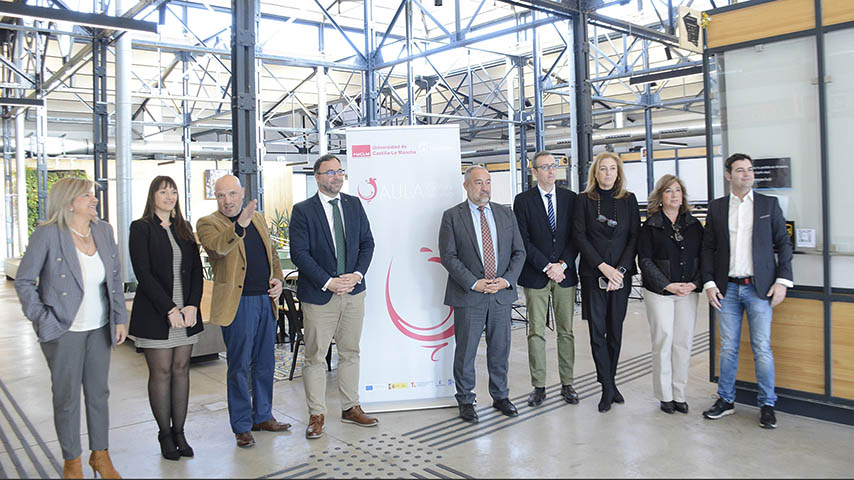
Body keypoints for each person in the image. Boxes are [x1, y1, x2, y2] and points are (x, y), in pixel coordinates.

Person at [14, 177, 127, 479]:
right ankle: (72, 462)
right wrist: (43, 318)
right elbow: (24, 281)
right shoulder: (48, 234)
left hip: (99, 328)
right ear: (69, 202)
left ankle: (100, 456)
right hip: (64, 330)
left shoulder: (103, 230)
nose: (94, 199)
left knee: (99, 394)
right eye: (87, 195)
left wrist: (119, 318)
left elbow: (114, 278)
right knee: (66, 399)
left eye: (93, 195)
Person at [196, 174, 291, 448]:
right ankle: (241, 425)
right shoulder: (208, 223)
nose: (227, 200)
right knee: (238, 365)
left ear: (242, 193)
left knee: (265, 362)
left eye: (232, 194)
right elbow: (217, 249)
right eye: (220, 195)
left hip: (265, 300)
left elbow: (272, 254)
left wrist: (277, 279)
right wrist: (239, 226)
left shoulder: (258, 218)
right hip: (237, 305)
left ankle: (263, 416)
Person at [701, 153, 793, 429]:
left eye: (750, 169)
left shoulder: (768, 204)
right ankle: (726, 400)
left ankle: (767, 404)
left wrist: (783, 281)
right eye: (740, 170)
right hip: (726, 288)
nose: (747, 174)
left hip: (759, 289)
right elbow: (708, 247)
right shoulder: (717, 208)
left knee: (762, 347)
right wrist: (709, 283)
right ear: (728, 175)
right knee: (728, 348)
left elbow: (783, 244)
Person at [289, 154, 378, 440]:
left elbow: (367, 243)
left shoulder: (353, 204)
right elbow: (299, 254)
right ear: (317, 177)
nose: (337, 176)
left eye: (340, 171)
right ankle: (316, 415)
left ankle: (351, 407)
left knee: (351, 352)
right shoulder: (303, 210)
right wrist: (328, 282)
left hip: (353, 292)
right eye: (330, 172)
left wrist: (357, 275)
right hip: (319, 295)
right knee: (315, 356)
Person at [439, 165, 526, 423]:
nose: (485, 187)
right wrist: (473, 283)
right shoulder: (452, 216)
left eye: (488, 182)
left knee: (500, 349)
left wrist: (506, 281)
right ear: (466, 186)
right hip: (469, 296)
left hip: (500, 294)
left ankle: (500, 396)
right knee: (466, 352)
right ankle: (466, 400)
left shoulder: (505, 213)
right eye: (478, 182)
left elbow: (519, 252)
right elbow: (448, 256)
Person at [129, 176, 204, 460]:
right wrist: (169, 309)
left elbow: (196, 271)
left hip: (186, 314)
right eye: (163, 192)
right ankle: (165, 434)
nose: (169, 196)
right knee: (161, 373)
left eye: (173, 192)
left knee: (181, 370)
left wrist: (192, 305)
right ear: (153, 196)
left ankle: (180, 432)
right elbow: (143, 273)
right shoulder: (141, 228)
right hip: (156, 313)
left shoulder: (184, 228)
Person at [573, 152, 640, 413]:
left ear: (618, 173)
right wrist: (603, 268)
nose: (608, 173)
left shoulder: (629, 200)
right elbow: (580, 237)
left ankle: (610, 383)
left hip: (620, 277)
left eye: (612, 168)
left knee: (615, 331)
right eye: (603, 168)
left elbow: (634, 237)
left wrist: (619, 271)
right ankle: (607, 388)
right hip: (594, 275)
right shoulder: (584, 201)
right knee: (597, 333)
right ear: (595, 173)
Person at [513, 151, 580, 407]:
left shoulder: (570, 199)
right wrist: (546, 266)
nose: (551, 171)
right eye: (545, 167)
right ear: (534, 172)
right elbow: (523, 240)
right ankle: (539, 386)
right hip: (536, 274)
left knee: (566, 331)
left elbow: (576, 236)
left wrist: (562, 264)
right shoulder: (523, 201)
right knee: (536, 332)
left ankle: (567, 383)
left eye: (554, 166)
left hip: (564, 274)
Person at [638, 175, 703, 415]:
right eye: (668, 191)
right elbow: (645, 261)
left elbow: (704, 256)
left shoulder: (694, 225)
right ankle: (665, 395)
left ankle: (679, 393)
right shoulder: (650, 226)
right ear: (660, 197)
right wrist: (667, 285)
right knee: (663, 340)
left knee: (683, 342)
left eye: (677, 190)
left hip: (688, 291)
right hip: (660, 293)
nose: (674, 195)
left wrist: (694, 283)